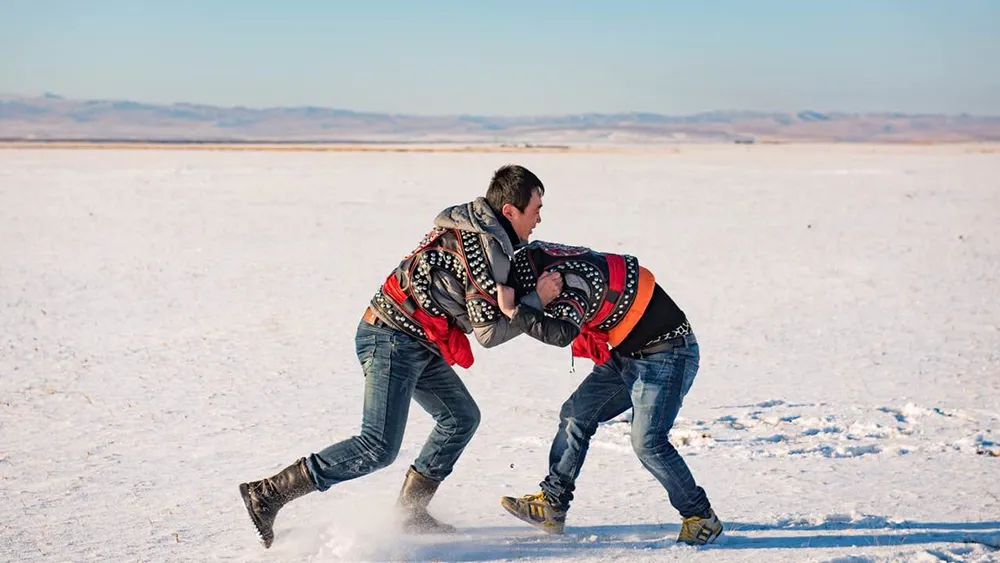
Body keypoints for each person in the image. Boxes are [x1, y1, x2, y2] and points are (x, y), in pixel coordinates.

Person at [238, 165, 564, 548]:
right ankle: (269, 493)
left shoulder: (475, 226)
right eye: (536, 208)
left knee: (460, 417)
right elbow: (489, 333)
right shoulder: (486, 248)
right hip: (391, 337)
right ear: (510, 211)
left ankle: (411, 513)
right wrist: (536, 301)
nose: (540, 218)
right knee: (377, 446)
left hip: (415, 337)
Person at [495, 240, 723, 545]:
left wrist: (515, 310)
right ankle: (552, 504)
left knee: (648, 442)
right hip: (629, 353)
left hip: (669, 354)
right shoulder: (536, 259)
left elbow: (562, 333)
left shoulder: (566, 284)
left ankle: (701, 517)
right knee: (577, 414)